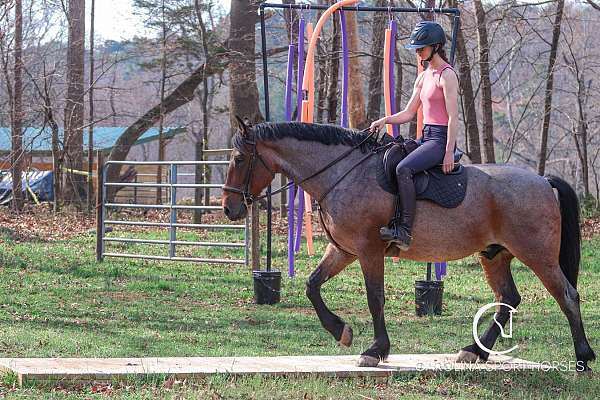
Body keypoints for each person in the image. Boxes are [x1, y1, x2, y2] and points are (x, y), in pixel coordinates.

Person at [369, 20, 459, 251]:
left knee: (404, 169)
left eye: (422, 47)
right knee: (393, 160)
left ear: (436, 46)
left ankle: (405, 231)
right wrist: (385, 120)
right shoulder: (424, 76)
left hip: (439, 140)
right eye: (417, 48)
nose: (418, 52)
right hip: (425, 136)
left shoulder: (446, 75)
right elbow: (409, 113)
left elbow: (452, 118)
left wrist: (449, 151)